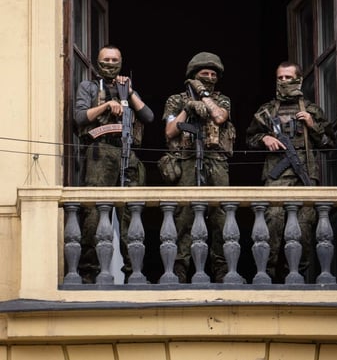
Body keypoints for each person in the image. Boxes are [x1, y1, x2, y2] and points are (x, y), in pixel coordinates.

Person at [246, 61, 335, 282]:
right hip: (276, 179)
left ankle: (296, 278)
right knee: (271, 226)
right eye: (280, 78)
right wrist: (265, 138)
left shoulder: (311, 110)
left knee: (303, 232)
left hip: (304, 179)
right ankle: (267, 277)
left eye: (288, 77)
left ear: (299, 79)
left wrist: (312, 125)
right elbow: (249, 139)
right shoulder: (267, 111)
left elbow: (329, 144)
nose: (284, 81)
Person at [74, 44, 154, 283]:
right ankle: (89, 272)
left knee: (132, 213)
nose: (110, 63)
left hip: (127, 152)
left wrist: (127, 92)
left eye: (114, 59)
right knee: (95, 214)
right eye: (106, 59)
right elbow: (79, 117)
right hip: (100, 151)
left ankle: (134, 272)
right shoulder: (88, 87)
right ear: (98, 63)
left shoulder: (127, 88)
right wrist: (107, 105)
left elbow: (148, 116)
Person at [161, 52, 236, 283]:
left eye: (214, 74)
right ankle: (179, 270)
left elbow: (220, 117)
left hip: (216, 164)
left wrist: (204, 96)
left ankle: (223, 270)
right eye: (205, 73)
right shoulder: (175, 100)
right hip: (186, 163)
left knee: (220, 218)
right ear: (193, 75)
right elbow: (170, 131)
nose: (210, 77)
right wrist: (189, 107)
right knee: (183, 217)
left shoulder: (222, 100)